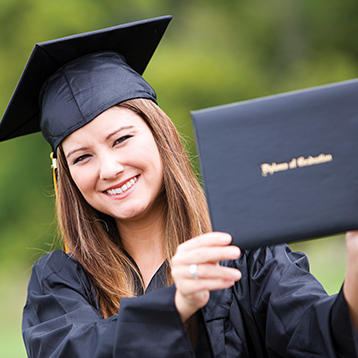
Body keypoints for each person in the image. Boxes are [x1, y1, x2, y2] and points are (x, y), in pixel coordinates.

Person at [1, 15, 358, 358]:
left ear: (160, 135)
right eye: (81, 158)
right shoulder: (60, 283)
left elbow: (319, 338)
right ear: (65, 176)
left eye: (121, 139)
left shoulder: (243, 252)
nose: (109, 169)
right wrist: (176, 304)